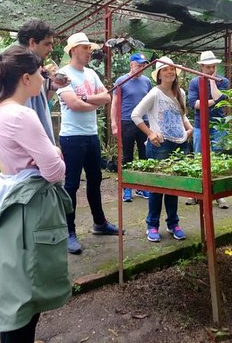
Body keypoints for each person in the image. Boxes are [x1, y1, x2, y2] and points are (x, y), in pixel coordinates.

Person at [0, 45, 71, 343]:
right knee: (25, 295)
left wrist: (48, 157)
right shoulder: (23, 115)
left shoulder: (0, 110)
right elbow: (55, 172)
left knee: (15, 290)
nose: (44, 78)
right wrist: (56, 152)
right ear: (25, 78)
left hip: (11, 204)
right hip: (29, 210)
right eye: (40, 73)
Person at [56, 32, 120, 255]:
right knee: (71, 184)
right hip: (72, 137)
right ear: (73, 50)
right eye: (85, 48)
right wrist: (91, 101)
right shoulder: (62, 74)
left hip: (91, 135)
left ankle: (99, 223)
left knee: (96, 179)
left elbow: (107, 97)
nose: (89, 51)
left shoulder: (91, 73)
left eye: (89, 48)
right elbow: (72, 105)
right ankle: (68, 231)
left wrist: (84, 99)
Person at [131, 57, 193, 242]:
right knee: (157, 188)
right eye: (165, 69)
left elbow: (181, 115)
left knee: (174, 187)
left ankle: (173, 223)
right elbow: (135, 115)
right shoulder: (154, 93)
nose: (170, 72)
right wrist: (150, 133)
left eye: (172, 69)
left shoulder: (180, 92)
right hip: (160, 147)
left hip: (180, 144)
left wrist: (189, 129)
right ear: (158, 74)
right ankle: (152, 225)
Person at [186, 50, 230, 208]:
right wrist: (214, 100)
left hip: (218, 124)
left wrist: (212, 81)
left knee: (218, 157)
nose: (211, 70)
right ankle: (196, 193)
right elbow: (194, 104)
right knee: (199, 158)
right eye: (207, 67)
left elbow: (221, 97)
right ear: (201, 67)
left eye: (213, 67)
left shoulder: (223, 81)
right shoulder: (194, 82)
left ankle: (219, 195)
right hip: (199, 125)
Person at [111, 53, 153, 202]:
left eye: (143, 65)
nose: (141, 68)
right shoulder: (122, 80)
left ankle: (142, 187)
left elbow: (151, 102)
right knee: (127, 156)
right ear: (131, 64)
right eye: (139, 65)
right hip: (126, 121)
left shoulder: (147, 81)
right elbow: (115, 102)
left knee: (144, 155)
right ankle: (127, 188)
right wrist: (114, 123)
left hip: (144, 122)